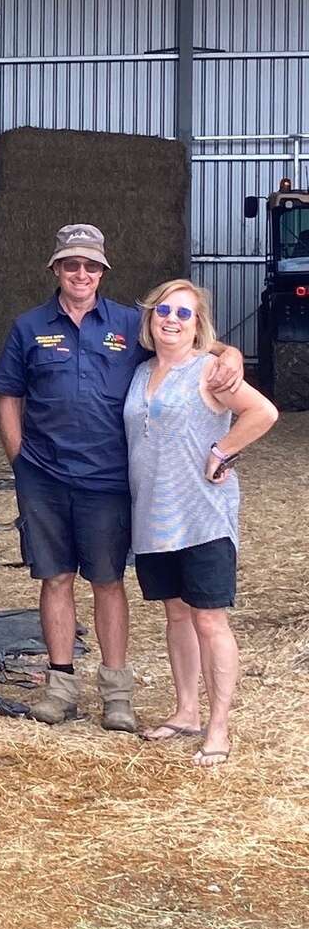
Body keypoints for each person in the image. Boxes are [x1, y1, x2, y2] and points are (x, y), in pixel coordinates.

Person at [0, 226, 243, 731]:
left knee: (107, 581)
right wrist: (20, 460)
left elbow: (188, 344)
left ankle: (116, 694)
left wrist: (229, 355)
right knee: (55, 578)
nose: (80, 274)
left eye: (90, 266)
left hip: (108, 480)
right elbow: (9, 397)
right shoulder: (28, 326)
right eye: (70, 265)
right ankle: (60, 687)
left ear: (103, 272)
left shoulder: (132, 325)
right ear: (55, 269)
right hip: (43, 476)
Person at [124, 280, 276, 765]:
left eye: (183, 314)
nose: (171, 319)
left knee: (210, 619)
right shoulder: (141, 370)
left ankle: (218, 726)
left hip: (202, 517)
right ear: (150, 318)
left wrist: (223, 450)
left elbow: (263, 411)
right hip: (154, 515)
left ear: (197, 325)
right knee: (176, 616)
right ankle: (186, 710)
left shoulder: (210, 370)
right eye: (163, 310)